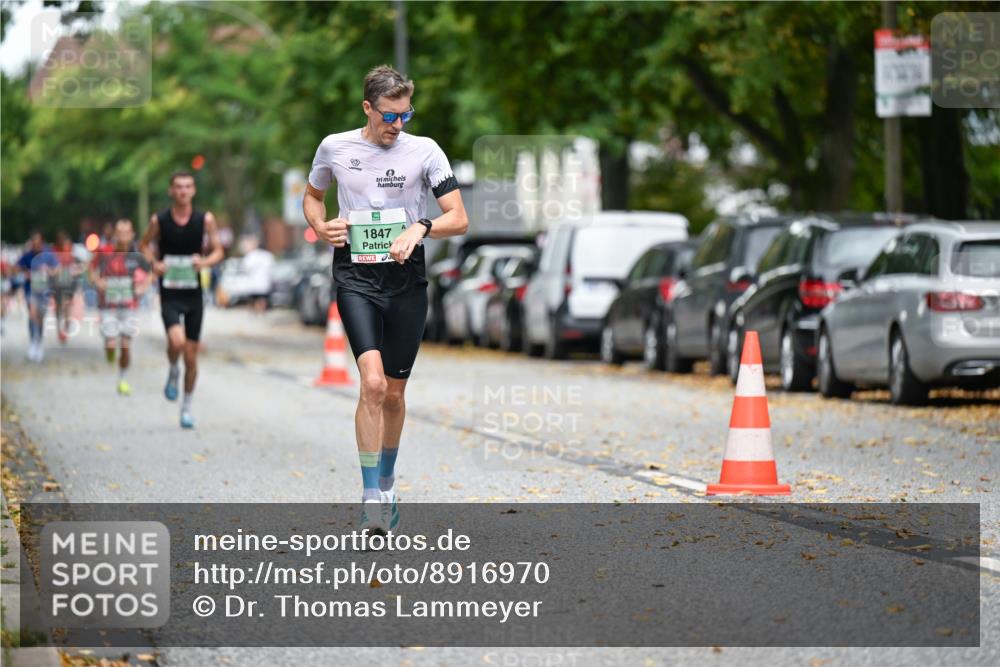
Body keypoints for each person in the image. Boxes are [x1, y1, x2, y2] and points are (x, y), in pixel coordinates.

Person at [303, 65, 468, 535]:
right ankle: (371, 497)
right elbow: (312, 197)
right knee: (372, 384)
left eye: (405, 115)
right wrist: (320, 226)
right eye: (390, 116)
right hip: (355, 276)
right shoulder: (335, 147)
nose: (398, 125)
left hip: (405, 280)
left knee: (394, 393)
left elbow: (458, 217)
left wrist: (422, 227)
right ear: (367, 108)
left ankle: (389, 481)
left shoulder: (425, 151)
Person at [140, 171, 224, 428]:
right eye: (178, 186)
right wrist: (155, 263)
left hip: (194, 294)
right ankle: (173, 369)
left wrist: (204, 262)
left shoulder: (204, 219)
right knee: (176, 342)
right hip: (170, 293)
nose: (183, 191)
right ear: (171, 191)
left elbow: (219, 251)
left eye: (187, 186)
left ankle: (186, 407)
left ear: (193, 190)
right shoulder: (160, 220)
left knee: (191, 356)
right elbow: (143, 245)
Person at [90, 219, 152, 395]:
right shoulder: (104, 252)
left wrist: (142, 288)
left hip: (129, 306)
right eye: (120, 233)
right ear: (114, 235)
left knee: (125, 345)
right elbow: (91, 270)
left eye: (126, 233)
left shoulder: (137, 255)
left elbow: (150, 273)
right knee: (111, 344)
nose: (123, 236)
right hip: (108, 306)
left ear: (132, 235)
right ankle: (109, 351)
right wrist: (98, 282)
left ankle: (123, 379)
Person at [16, 231, 60, 362]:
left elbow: (57, 269)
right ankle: (33, 343)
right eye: (33, 242)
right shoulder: (27, 255)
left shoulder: (49, 255)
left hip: (44, 292)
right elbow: (17, 267)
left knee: (40, 319)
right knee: (32, 315)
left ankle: (38, 342)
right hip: (30, 291)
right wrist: (27, 273)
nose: (36, 245)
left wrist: (49, 271)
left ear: (42, 242)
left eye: (38, 242)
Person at [52, 230, 81, 344]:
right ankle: (60, 327)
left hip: (69, 283)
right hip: (58, 284)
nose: (66, 246)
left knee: (67, 305)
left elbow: (80, 267)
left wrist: (75, 271)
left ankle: (65, 326)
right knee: (59, 306)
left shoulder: (73, 255)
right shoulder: (55, 253)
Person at [239, 236, 274, 315]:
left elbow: (244, 268)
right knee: (262, 299)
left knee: (253, 299)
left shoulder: (251, 255)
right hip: (263, 283)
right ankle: (261, 312)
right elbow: (271, 268)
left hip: (253, 283)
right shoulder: (268, 255)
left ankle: (255, 313)